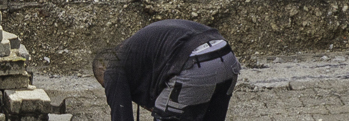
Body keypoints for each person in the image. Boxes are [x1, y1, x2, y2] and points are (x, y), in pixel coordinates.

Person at [95, 20, 240, 121]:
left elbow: (122, 116)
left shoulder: (112, 67)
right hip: (227, 57)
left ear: (103, 70)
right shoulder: (137, 51)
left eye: (105, 85)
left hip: (195, 62)